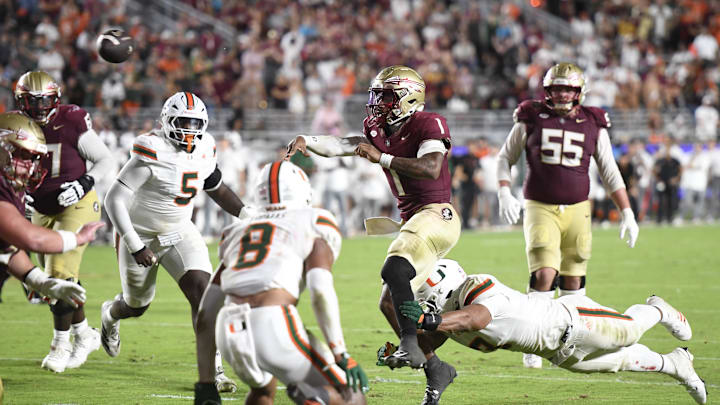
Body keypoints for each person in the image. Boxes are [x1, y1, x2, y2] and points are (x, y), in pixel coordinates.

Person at [285, 66, 461, 377]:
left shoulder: (427, 122)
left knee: (394, 269)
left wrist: (381, 158)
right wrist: (307, 140)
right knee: (388, 304)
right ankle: (435, 367)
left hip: (437, 213)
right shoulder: (379, 128)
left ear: (409, 98)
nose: (378, 102)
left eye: (387, 96)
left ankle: (410, 343)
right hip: (413, 219)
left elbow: (432, 167)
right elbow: (345, 144)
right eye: (377, 95)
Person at [393, 259, 707, 405]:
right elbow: (430, 340)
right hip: (557, 351)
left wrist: (430, 321)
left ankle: (658, 309)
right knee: (621, 362)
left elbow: (477, 318)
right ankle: (676, 364)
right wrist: (402, 353)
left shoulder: (477, 288)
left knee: (630, 331)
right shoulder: (449, 318)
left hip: (573, 321)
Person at [101, 92, 249, 392]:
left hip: (181, 230)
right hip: (141, 235)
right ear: (167, 120)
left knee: (204, 294)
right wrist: (134, 244)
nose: (189, 130)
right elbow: (114, 198)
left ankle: (214, 371)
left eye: (195, 123)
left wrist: (247, 213)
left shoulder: (206, 147)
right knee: (136, 304)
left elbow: (216, 187)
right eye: (183, 122)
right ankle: (110, 314)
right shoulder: (153, 149)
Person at [495, 63, 639, 369]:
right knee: (545, 273)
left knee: (573, 278)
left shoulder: (592, 122)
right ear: (547, 91)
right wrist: (504, 191)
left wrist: (627, 211)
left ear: (578, 92)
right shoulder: (531, 117)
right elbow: (505, 157)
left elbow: (609, 170)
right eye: (556, 88)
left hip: (578, 207)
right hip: (540, 205)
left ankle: (573, 338)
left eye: (567, 89)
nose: (561, 94)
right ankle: (531, 340)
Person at [193, 161, 368, 405]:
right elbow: (320, 290)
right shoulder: (313, 219)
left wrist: (205, 383)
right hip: (272, 322)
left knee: (263, 391)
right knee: (351, 396)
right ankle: (312, 397)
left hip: (228, 330)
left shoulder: (238, 230)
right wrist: (340, 353)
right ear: (302, 189)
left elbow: (205, 313)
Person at [14, 70, 116, 373]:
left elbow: (106, 160)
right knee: (51, 279)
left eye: (44, 102)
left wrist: (84, 183)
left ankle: (61, 344)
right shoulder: (14, 126)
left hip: (77, 203)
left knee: (57, 271)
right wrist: (17, 193)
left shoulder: (70, 119)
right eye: (31, 103)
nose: (39, 109)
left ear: (56, 99)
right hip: (39, 209)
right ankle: (84, 333)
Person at [0, 113, 103, 313]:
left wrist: (39, 281)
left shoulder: (12, 188)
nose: (30, 166)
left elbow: (7, 252)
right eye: (23, 156)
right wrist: (76, 238)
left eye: (33, 158)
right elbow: (32, 240)